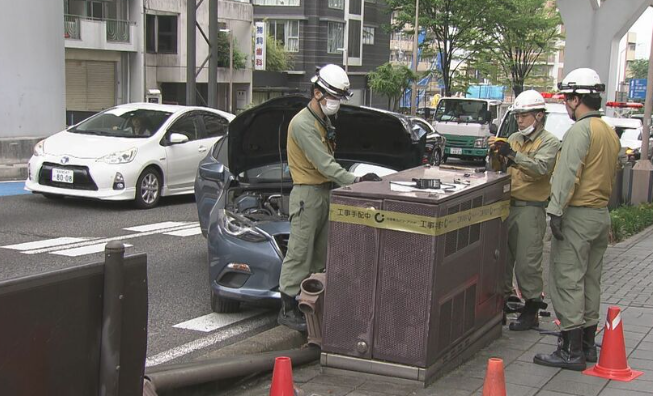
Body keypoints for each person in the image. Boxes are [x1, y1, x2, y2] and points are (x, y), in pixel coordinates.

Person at [278, 64, 382, 331]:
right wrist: (355, 180)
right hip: (307, 194)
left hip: (324, 192)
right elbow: (324, 164)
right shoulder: (303, 124)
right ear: (317, 93)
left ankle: (309, 306)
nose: (336, 104)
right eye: (333, 98)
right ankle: (287, 309)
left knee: (319, 254)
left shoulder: (321, 121)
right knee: (300, 252)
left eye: (339, 98)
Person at [534, 68, 620, 371]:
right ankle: (587, 346)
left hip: (577, 216)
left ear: (575, 98)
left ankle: (570, 352)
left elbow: (566, 175)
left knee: (568, 280)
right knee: (590, 280)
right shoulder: (607, 130)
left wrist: (555, 212)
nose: (565, 105)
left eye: (566, 98)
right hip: (600, 215)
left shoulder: (580, 131)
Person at [489, 90, 560, 331]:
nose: (520, 121)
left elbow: (541, 168)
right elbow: (501, 168)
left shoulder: (549, 142)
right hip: (508, 204)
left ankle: (531, 309)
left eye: (524, 115)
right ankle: (506, 300)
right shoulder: (514, 138)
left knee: (528, 262)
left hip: (531, 207)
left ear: (539, 115)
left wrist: (512, 153)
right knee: (503, 259)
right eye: (518, 116)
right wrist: (497, 154)